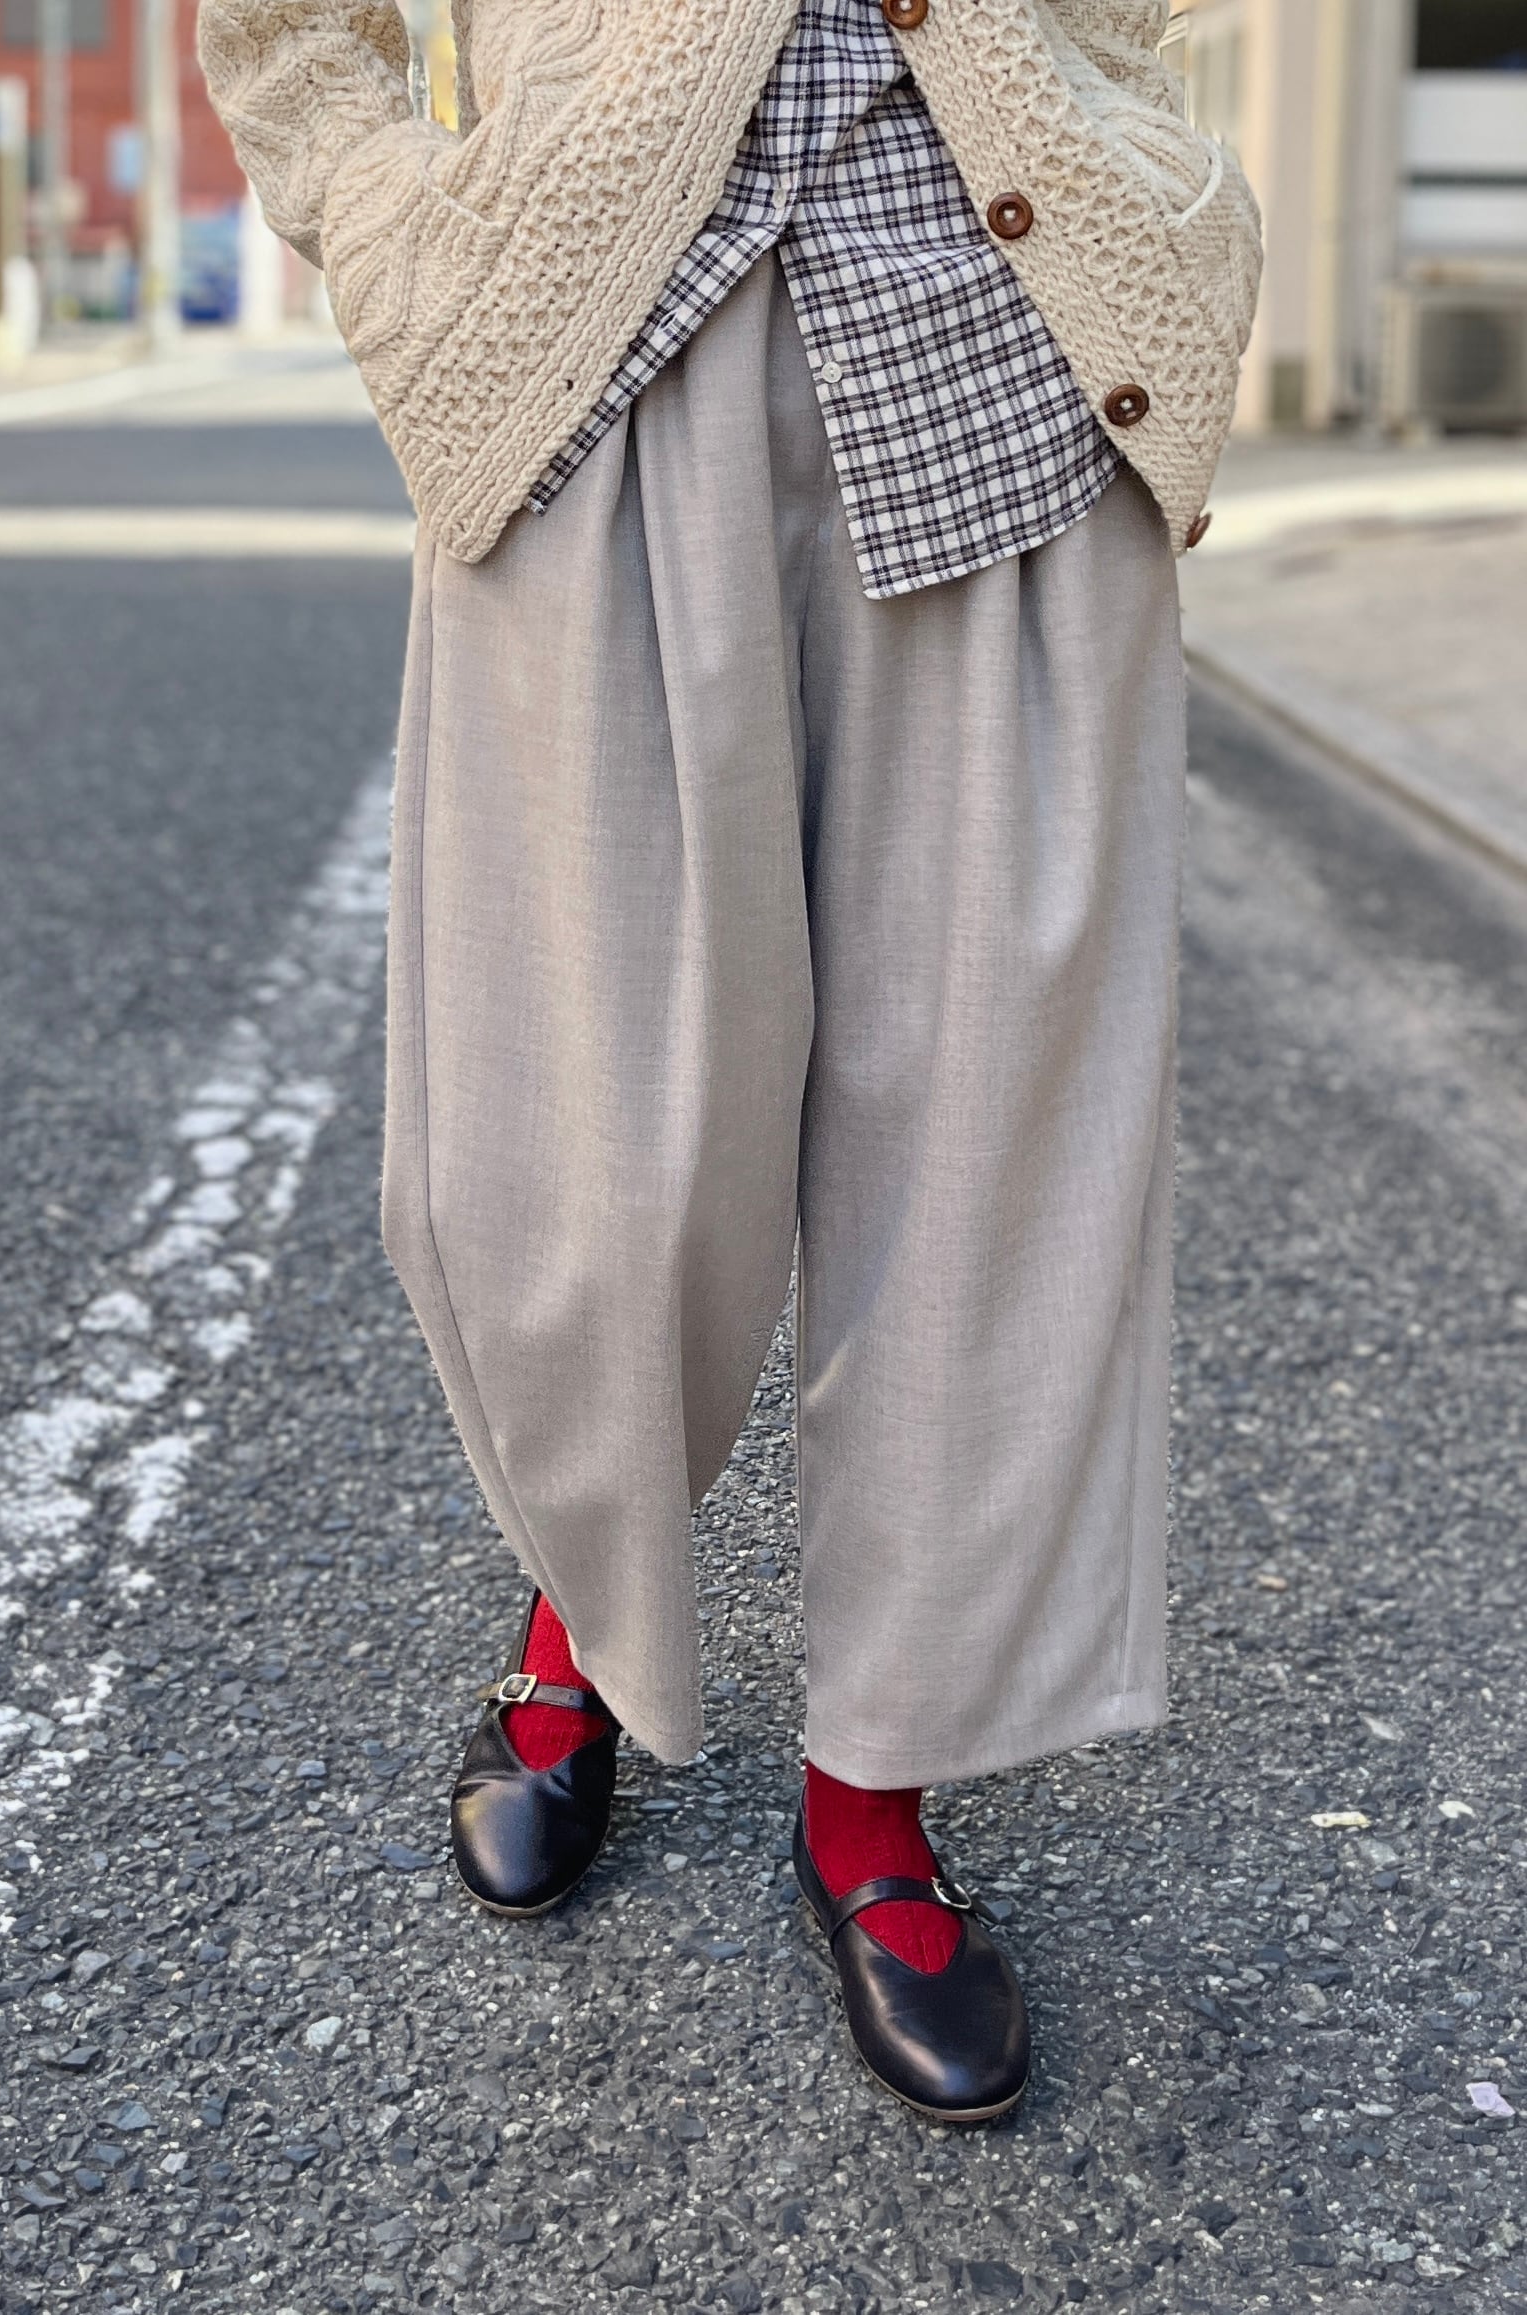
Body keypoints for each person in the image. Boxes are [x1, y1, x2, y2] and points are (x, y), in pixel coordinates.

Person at [199, 0, 1261, 2123]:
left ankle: (875, 1790)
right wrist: (391, 223)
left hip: (1010, 344)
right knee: (584, 1149)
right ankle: (584, 1610)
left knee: (990, 1148)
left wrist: (1161, 179)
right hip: (588, 358)